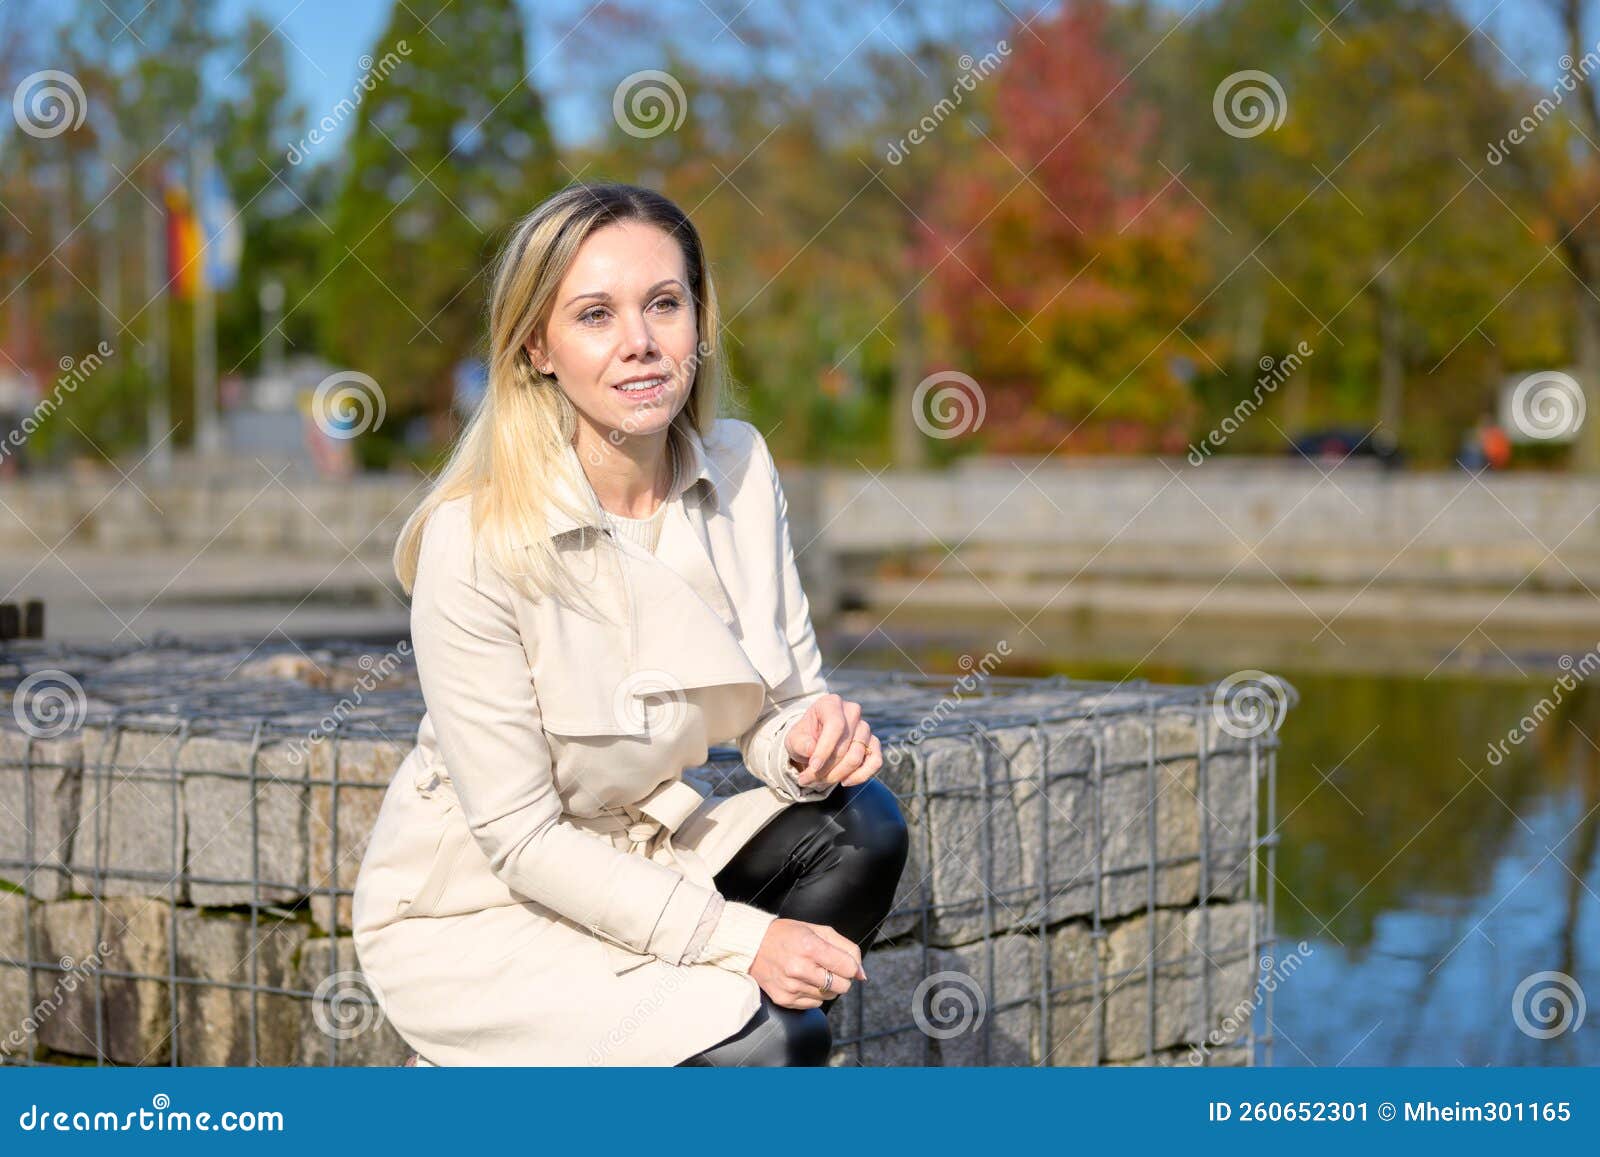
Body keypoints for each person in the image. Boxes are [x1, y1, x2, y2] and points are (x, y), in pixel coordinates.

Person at [352, 182, 910, 1067]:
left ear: (698, 319)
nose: (640, 343)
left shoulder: (740, 467)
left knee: (862, 825)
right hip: (484, 906)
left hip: (651, 855)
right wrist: (739, 942)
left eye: (663, 304)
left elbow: (777, 703)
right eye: (595, 315)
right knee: (776, 1036)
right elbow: (525, 840)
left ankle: (667, 1045)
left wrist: (807, 741)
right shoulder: (475, 538)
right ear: (537, 345)